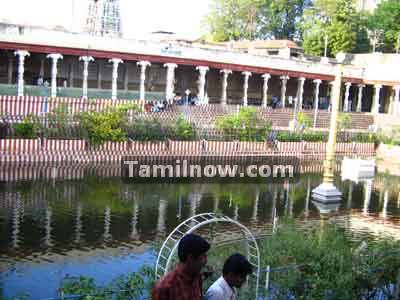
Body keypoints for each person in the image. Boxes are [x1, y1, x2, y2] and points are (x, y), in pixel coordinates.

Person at [152, 233, 210, 300]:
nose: (206, 261)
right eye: (203, 257)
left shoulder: (197, 277)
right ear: (190, 258)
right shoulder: (164, 288)